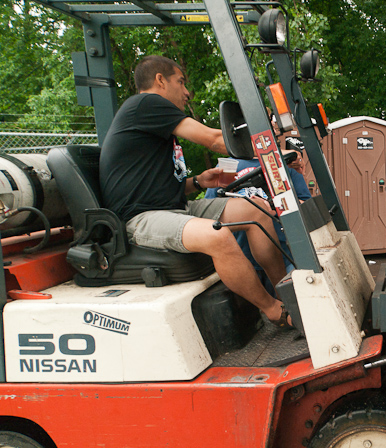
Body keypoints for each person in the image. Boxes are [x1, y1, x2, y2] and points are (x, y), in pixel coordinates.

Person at [99, 55, 292, 327]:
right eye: (181, 82)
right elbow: (214, 140)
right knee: (218, 236)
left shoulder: (151, 119)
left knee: (257, 210)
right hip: (140, 219)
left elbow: (152, 184)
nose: (187, 92)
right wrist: (266, 139)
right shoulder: (146, 103)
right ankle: (273, 310)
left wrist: (199, 182)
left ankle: (286, 293)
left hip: (171, 209)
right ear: (160, 81)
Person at [205, 151, 312, 293]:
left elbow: (307, 208)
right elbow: (211, 214)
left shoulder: (285, 165)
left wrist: (275, 205)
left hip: (286, 256)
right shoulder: (225, 169)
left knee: (297, 300)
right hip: (244, 261)